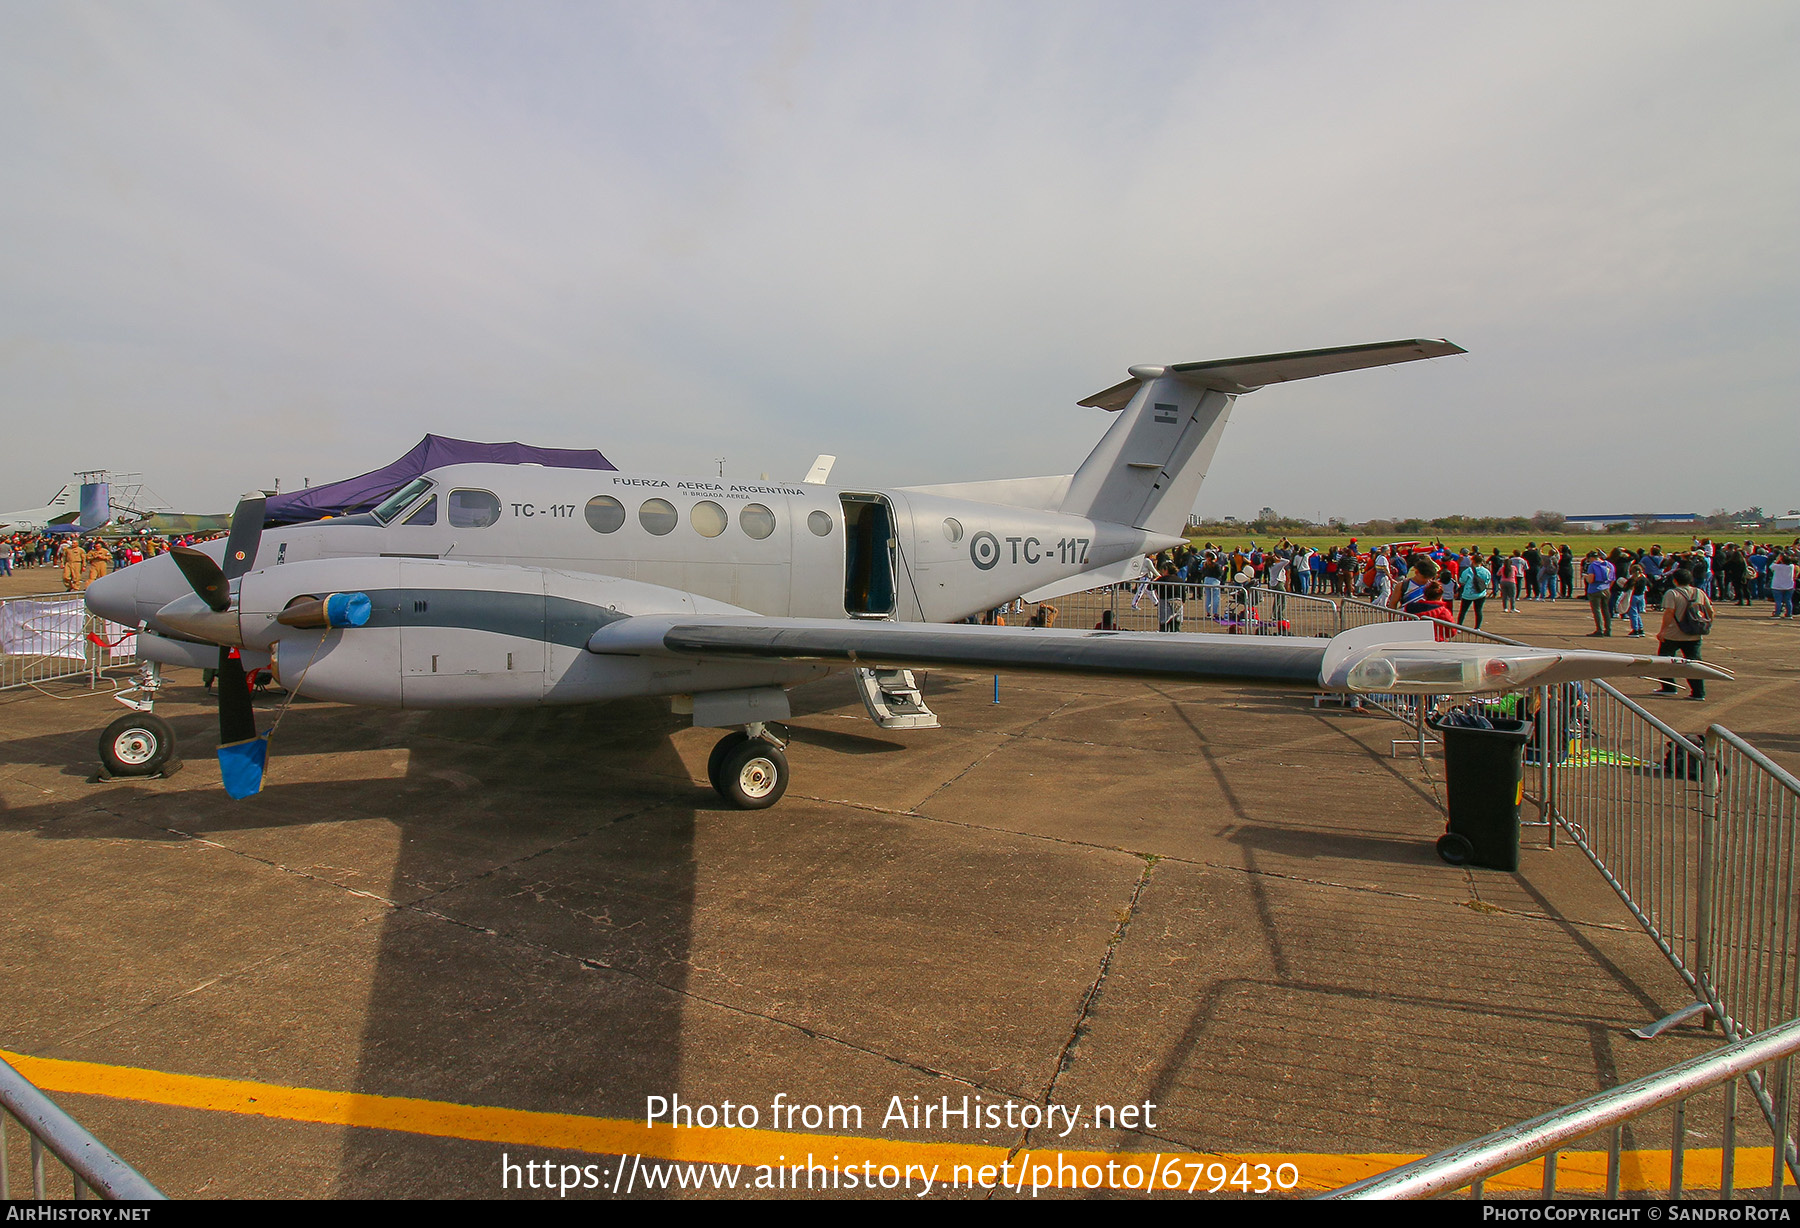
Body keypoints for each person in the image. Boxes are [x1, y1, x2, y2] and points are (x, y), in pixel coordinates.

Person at [1652, 567, 1711, 699]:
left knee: (1664, 660)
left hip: (1674, 634)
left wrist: (1663, 631)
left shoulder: (1672, 593)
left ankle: (1668, 686)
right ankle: (1698, 692)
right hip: (1694, 634)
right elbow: (1710, 610)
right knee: (1694, 663)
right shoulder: (1699, 592)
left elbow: (1669, 613)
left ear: (1675, 581)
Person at [1583, 550, 1616, 636]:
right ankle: (1608, 629)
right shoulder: (1609, 565)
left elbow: (1591, 580)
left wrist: (1586, 577)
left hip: (1595, 590)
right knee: (1606, 610)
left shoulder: (1593, 565)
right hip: (1606, 589)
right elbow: (1612, 579)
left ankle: (1599, 630)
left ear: (1591, 558)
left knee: (1597, 610)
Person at [1457, 551, 1492, 629]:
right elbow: (1487, 582)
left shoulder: (1468, 571)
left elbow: (1462, 581)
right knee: (1478, 611)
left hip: (1468, 594)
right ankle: (1477, 627)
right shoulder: (1486, 571)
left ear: (1473, 561)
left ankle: (1459, 627)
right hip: (1480, 593)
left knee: (1463, 611)